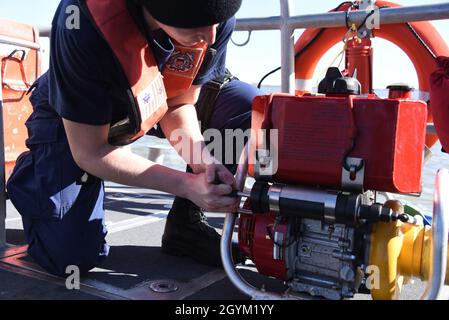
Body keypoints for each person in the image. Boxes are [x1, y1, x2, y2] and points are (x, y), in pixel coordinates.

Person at [6, 0, 261, 277]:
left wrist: (202, 161)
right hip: (76, 118)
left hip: (152, 101)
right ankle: (38, 175)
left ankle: (186, 226)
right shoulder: (81, 21)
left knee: (248, 106)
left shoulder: (212, 14)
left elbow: (178, 104)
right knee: (70, 257)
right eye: (196, 23)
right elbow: (90, 151)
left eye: (217, 22)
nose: (211, 36)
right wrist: (186, 185)